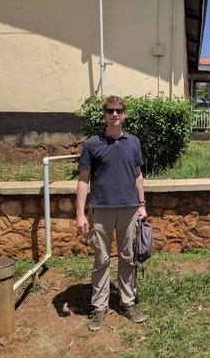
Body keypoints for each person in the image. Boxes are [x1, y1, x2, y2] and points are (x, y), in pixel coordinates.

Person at [76, 95, 147, 331]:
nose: (114, 114)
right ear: (104, 114)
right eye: (110, 110)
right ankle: (99, 307)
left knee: (128, 257)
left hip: (129, 208)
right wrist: (80, 213)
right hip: (101, 208)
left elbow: (137, 175)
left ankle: (128, 302)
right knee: (101, 259)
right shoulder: (92, 144)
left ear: (124, 113)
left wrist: (142, 204)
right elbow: (84, 180)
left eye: (118, 110)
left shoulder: (133, 142)